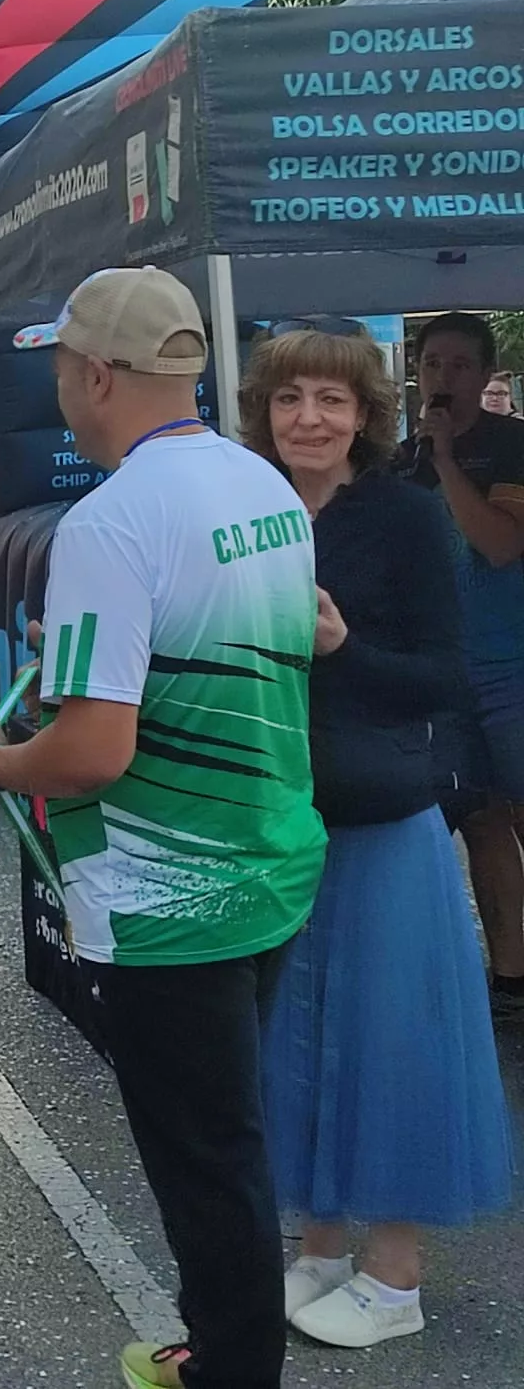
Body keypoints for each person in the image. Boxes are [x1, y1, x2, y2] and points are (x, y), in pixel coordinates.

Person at [0, 267, 326, 1389]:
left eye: (60, 363)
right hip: (267, 863)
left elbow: (90, 749)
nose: (58, 383)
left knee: (204, 1163)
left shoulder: (108, 523)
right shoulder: (260, 485)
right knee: (225, 1143)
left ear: (95, 375)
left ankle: (226, 1368)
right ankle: (217, 1343)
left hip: (170, 896)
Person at [239, 327, 511, 1351]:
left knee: (390, 1045)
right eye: (288, 399)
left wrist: (342, 648)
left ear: (364, 416)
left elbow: (443, 675)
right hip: (272, 817)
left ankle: (393, 1275)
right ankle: (314, 1246)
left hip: (380, 817)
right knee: (296, 1041)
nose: (307, 418)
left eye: (330, 401)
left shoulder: (400, 518)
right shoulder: (248, 519)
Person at [393, 313, 524, 1018]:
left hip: (514, 665)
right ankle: (510, 977)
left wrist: (445, 461)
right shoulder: (398, 462)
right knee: (479, 819)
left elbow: (500, 545)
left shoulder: (512, 444)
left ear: (485, 374)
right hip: (442, 671)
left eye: (458, 365)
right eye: (432, 364)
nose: (443, 378)